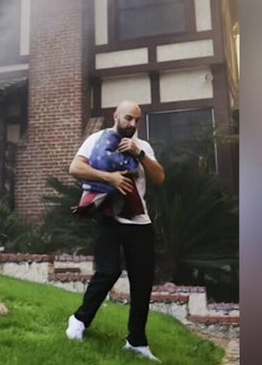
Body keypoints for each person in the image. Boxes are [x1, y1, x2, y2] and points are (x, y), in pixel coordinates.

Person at [65, 100, 166, 362]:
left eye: (136, 120)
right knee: (108, 272)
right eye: (128, 118)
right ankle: (79, 320)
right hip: (109, 217)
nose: (132, 124)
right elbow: (75, 168)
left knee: (142, 283)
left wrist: (138, 154)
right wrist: (109, 178)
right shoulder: (96, 138)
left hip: (140, 223)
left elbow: (160, 177)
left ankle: (136, 342)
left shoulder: (142, 146)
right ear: (116, 116)